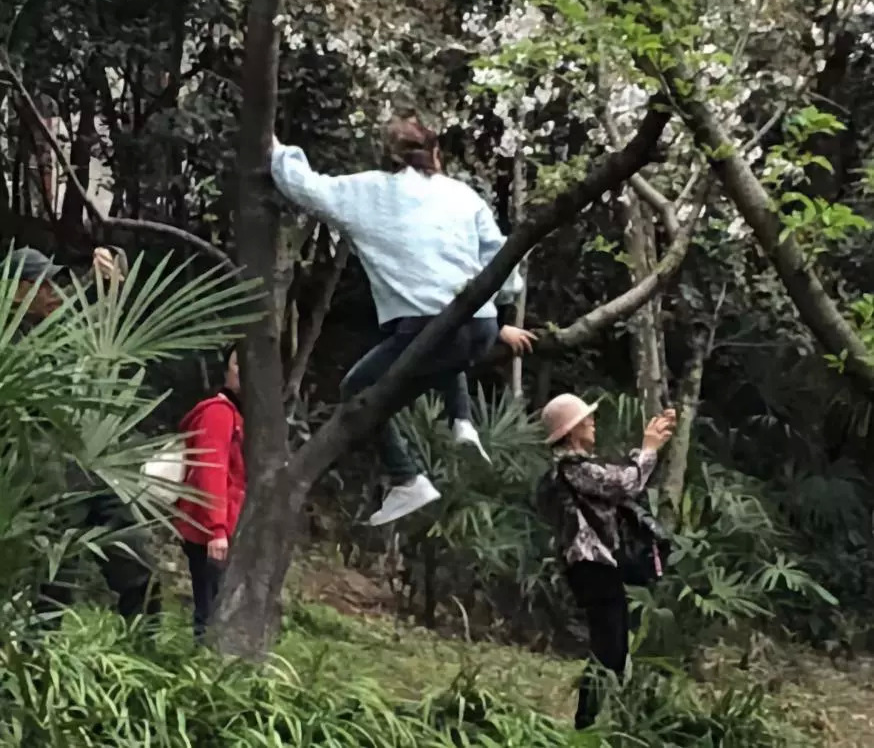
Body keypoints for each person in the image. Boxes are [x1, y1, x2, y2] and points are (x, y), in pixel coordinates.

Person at [271, 115, 535, 526]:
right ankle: (462, 422)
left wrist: (275, 149)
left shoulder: (368, 191)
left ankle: (406, 476)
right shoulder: (463, 195)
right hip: (478, 327)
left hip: (422, 331)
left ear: (387, 155)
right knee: (447, 338)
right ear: (435, 153)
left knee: (355, 387)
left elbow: (306, 187)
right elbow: (503, 263)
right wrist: (500, 305)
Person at [8, 244, 162, 623]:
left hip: (92, 468)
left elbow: (90, 313)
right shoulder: (8, 340)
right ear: (18, 290)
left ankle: (146, 642)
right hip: (41, 482)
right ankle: (37, 655)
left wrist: (108, 276)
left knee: (137, 564)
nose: (55, 292)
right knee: (53, 583)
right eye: (44, 284)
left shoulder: (59, 328)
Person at [537, 394, 675, 730]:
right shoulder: (573, 469)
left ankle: (601, 718)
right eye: (586, 419)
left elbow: (622, 480)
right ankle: (585, 723)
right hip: (590, 565)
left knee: (615, 647)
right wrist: (649, 448)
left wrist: (648, 448)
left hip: (598, 566)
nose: (592, 423)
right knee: (609, 648)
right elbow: (625, 482)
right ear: (571, 431)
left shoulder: (580, 468)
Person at [175, 348, 245, 642]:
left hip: (225, 526)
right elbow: (210, 469)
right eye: (237, 364)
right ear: (226, 371)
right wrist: (217, 529)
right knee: (211, 610)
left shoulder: (243, 416)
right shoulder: (218, 413)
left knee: (217, 605)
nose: (244, 371)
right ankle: (202, 663)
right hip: (210, 530)